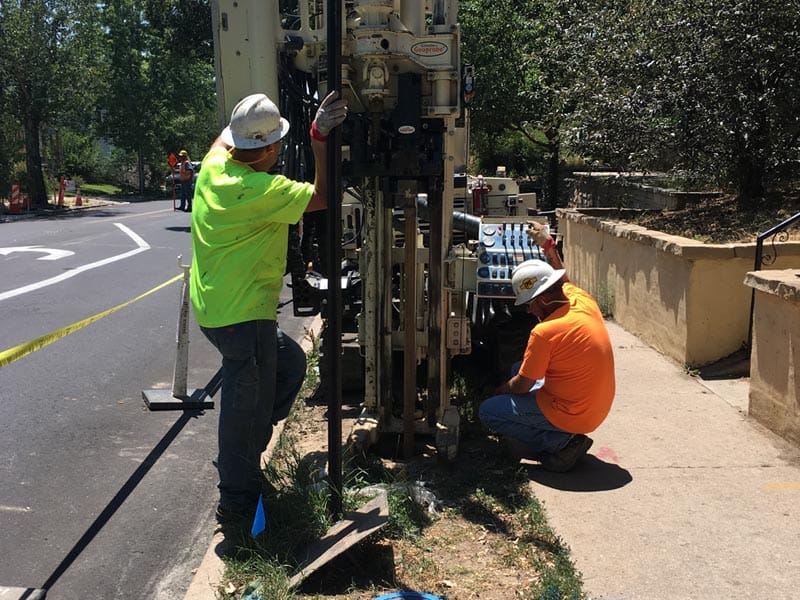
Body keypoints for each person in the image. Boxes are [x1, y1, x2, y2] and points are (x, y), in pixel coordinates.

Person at [189, 90, 347, 533]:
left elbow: (222, 139)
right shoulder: (262, 190)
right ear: (273, 149)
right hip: (244, 317)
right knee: (244, 407)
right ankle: (237, 503)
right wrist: (318, 137)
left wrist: (253, 114)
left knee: (291, 363)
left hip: (216, 310)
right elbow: (324, 195)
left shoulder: (214, 168)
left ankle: (248, 452)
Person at [479, 223, 615, 472]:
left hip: (576, 413)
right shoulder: (580, 299)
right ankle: (562, 432)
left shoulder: (545, 332)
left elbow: (522, 385)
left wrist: (498, 391)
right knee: (519, 367)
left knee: (489, 412)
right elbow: (562, 277)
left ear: (542, 300)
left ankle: (561, 441)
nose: (529, 311)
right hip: (597, 405)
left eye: (529, 304)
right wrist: (548, 246)